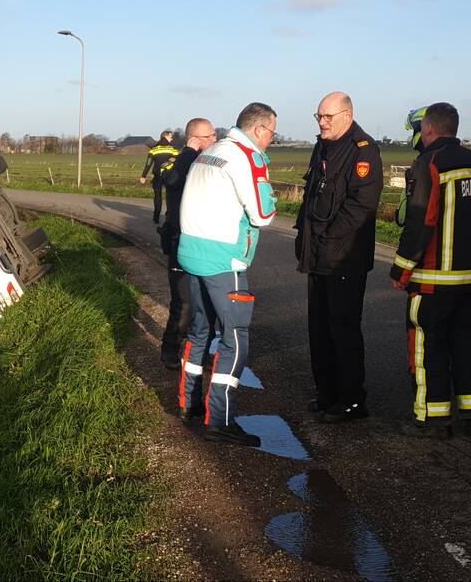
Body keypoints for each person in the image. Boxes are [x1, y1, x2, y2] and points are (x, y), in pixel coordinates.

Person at [177, 103, 278, 446]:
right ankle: (219, 420)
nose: (271, 141)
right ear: (260, 130)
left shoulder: (213, 151)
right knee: (235, 340)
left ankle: (188, 404)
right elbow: (264, 214)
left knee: (199, 331)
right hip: (224, 260)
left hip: (192, 254)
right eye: (272, 134)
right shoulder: (245, 157)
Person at [295, 92, 383, 423]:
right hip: (317, 255)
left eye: (328, 117)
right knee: (318, 329)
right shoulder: (323, 146)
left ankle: (352, 401)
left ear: (348, 115)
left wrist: (328, 238)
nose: (322, 122)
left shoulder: (364, 149)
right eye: (318, 116)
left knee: (342, 330)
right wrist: (307, 240)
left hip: (344, 257)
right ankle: (327, 393)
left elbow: (362, 204)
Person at [389, 102, 471, 438]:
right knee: (465, 345)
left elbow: (422, 219)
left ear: (428, 129)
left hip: (433, 282)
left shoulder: (428, 163)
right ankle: (468, 412)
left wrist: (400, 269)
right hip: (468, 282)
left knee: (427, 349)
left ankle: (432, 417)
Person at [157, 118, 218, 369]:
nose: (215, 140)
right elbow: (172, 181)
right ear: (195, 138)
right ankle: (170, 349)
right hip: (180, 241)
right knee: (183, 302)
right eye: (210, 136)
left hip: (206, 243)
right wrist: (189, 152)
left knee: (207, 302)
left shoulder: (210, 162)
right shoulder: (178, 161)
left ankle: (200, 352)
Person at [140, 130, 179, 223]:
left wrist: (143, 176)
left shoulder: (153, 150)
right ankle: (169, 216)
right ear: (165, 137)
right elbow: (177, 159)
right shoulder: (172, 149)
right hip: (169, 175)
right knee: (170, 196)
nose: (172, 138)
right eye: (170, 136)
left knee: (158, 196)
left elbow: (148, 164)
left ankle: (156, 217)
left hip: (157, 175)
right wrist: (168, 162)